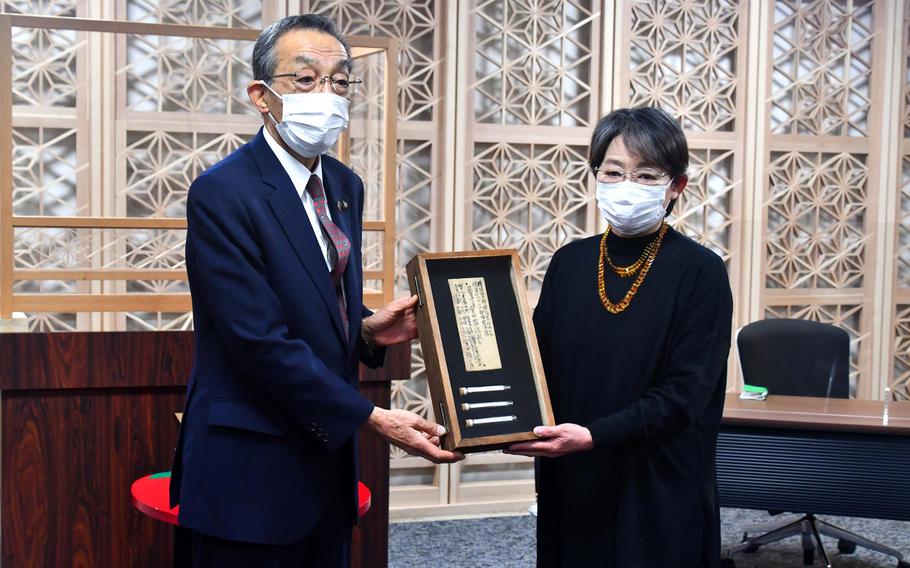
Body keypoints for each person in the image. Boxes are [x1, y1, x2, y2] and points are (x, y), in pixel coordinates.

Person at [169, 14, 462, 567]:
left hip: (324, 463)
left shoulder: (344, 185)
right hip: (249, 469)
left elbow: (315, 300)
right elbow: (257, 340)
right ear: (261, 95)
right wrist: (372, 418)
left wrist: (368, 330)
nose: (326, 95)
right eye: (305, 80)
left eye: (339, 81)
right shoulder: (222, 193)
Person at [508, 107, 734, 568]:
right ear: (595, 177)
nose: (626, 185)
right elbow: (536, 362)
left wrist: (594, 435)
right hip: (573, 472)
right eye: (613, 171)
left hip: (654, 481)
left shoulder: (700, 271)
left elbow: (687, 393)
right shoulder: (569, 262)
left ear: (676, 187)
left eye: (646, 174)